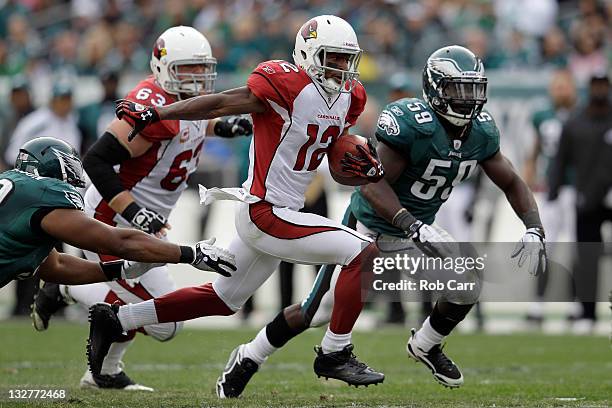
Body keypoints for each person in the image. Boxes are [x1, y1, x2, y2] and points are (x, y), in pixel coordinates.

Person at [213, 45, 548, 398]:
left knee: (466, 283)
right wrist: (411, 224)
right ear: (435, 88)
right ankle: (249, 356)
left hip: (416, 231)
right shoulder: (412, 125)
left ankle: (426, 344)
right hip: (372, 226)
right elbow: (371, 182)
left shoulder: (481, 132)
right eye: (457, 89)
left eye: (473, 89)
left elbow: (510, 180)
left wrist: (533, 226)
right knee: (316, 311)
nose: (467, 99)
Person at [89, 15, 385, 392]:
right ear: (309, 54)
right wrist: (161, 112)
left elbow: (332, 153)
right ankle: (335, 353)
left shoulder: (351, 96)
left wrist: (361, 164)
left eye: (348, 59)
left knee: (223, 299)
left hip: (280, 212)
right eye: (334, 57)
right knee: (363, 253)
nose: (343, 67)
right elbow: (220, 104)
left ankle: (117, 319)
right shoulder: (285, 83)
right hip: (267, 211)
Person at [31, 26, 252, 391]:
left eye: (202, 69)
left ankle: (102, 370)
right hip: (111, 217)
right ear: (164, 67)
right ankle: (67, 288)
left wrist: (225, 126)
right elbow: (97, 160)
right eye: (188, 70)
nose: (198, 78)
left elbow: (192, 124)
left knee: (165, 321)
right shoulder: (150, 106)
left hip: (144, 221)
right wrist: (134, 212)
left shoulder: (182, 101)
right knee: (150, 314)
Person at [0, 136, 235, 289]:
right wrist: (190, 254)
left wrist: (119, 269)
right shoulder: (43, 193)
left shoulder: (16, 190)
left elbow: (57, 266)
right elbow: (116, 241)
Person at [549, 73, 612, 331]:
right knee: (586, 256)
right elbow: (560, 160)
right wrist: (553, 192)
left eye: (603, 85)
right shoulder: (575, 124)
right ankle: (587, 313)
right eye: (595, 85)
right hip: (586, 199)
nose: (599, 90)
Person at [523, 69, 578, 324]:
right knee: (543, 247)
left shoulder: (581, 116)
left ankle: (577, 305)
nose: (560, 91)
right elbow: (533, 152)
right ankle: (537, 305)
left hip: (577, 188)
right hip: (551, 189)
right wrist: (529, 182)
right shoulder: (542, 116)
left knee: (578, 247)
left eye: (564, 86)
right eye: (557, 86)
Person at [4, 82, 83, 162]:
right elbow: (13, 152)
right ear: (52, 101)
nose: (64, 105)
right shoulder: (36, 120)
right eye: (61, 100)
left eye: (67, 100)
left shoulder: (73, 120)